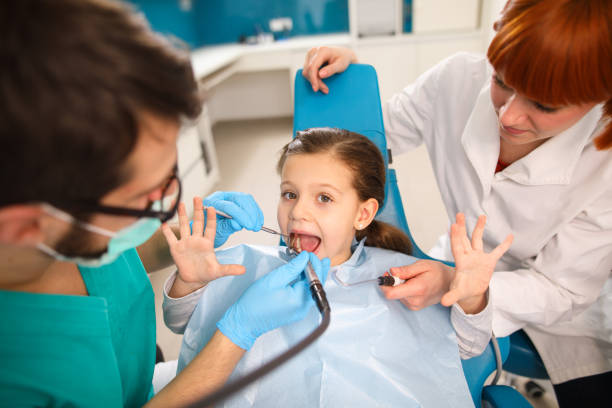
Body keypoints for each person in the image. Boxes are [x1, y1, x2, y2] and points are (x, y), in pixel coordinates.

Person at [0, 1, 327, 407]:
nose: (167, 203)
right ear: (26, 227)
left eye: (167, 178)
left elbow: (116, 257)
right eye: (143, 198)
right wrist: (236, 335)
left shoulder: (68, 230)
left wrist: (175, 238)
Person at [301, 0, 612, 405]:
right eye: (503, 81)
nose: (509, 117)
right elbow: (373, 137)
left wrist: (459, 285)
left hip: (557, 311)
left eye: (544, 105)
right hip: (455, 259)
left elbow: (560, 288)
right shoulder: (458, 79)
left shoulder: (603, 167)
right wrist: (351, 86)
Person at [163, 128, 513, 407]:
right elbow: (183, 324)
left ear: (363, 213)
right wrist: (188, 282)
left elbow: (468, 347)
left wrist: (472, 299)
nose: (299, 212)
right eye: (289, 194)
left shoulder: (404, 277)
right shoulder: (244, 264)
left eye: (324, 198)